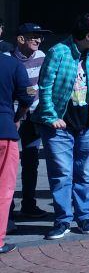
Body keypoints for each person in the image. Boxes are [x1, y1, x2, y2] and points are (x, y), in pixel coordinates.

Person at [35, 13, 89, 240]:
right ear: (88, 35)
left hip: (87, 124)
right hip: (59, 126)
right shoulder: (58, 52)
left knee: (84, 173)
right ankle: (62, 219)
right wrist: (50, 116)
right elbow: (45, 86)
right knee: (62, 174)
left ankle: (84, 217)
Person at [11, 23, 50, 219]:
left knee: (31, 161)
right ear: (20, 39)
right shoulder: (8, 59)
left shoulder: (43, 57)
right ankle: (7, 208)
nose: (38, 40)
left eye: (40, 37)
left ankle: (29, 203)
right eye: (33, 36)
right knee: (8, 164)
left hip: (34, 117)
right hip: (13, 118)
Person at [0, 47, 33, 253]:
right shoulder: (12, 64)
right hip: (4, 129)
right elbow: (28, 96)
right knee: (3, 189)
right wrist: (18, 117)